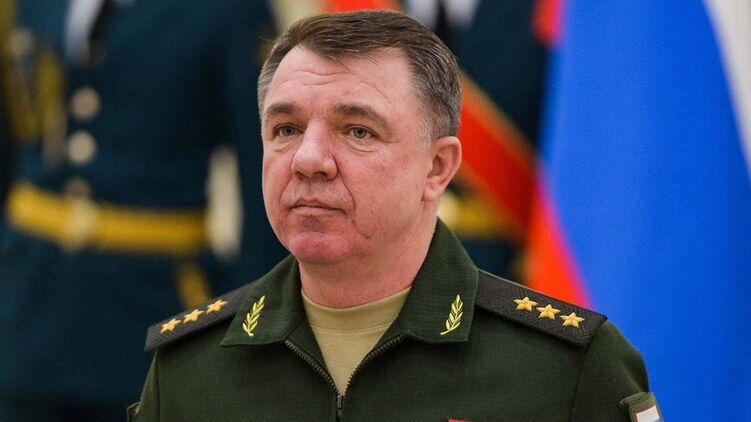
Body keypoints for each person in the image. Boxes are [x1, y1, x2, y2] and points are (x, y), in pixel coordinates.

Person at [130, 10, 662, 421]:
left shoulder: (564, 366)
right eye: (286, 129)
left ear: (437, 167)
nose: (309, 159)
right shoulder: (190, 369)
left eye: (358, 131)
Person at [0, 0, 285, 419]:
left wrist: (252, 327)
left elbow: (263, 178)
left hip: (152, 315)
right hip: (25, 310)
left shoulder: (231, 10)